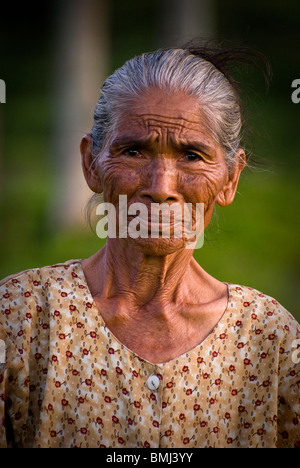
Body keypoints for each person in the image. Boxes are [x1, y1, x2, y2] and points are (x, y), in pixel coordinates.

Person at [0, 43, 299, 449]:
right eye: (134, 151)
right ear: (91, 163)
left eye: (192, 156)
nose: (161, 188)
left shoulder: (270, 340)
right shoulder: (20, 319)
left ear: (230, 178)